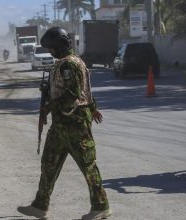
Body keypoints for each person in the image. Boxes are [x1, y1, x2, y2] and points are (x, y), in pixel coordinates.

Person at [17, 27, 111, 220]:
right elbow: (85, 90)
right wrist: (93, 107)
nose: (50, 52)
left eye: (51, 48)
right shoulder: (72, 62)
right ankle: (40, 206)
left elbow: (73, 94)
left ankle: (101, 206)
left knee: (87, 165)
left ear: (57, 47)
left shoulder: (68, 65)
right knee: (49, 163)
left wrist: (48, 107)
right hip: (61, 124)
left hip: (74, 123)